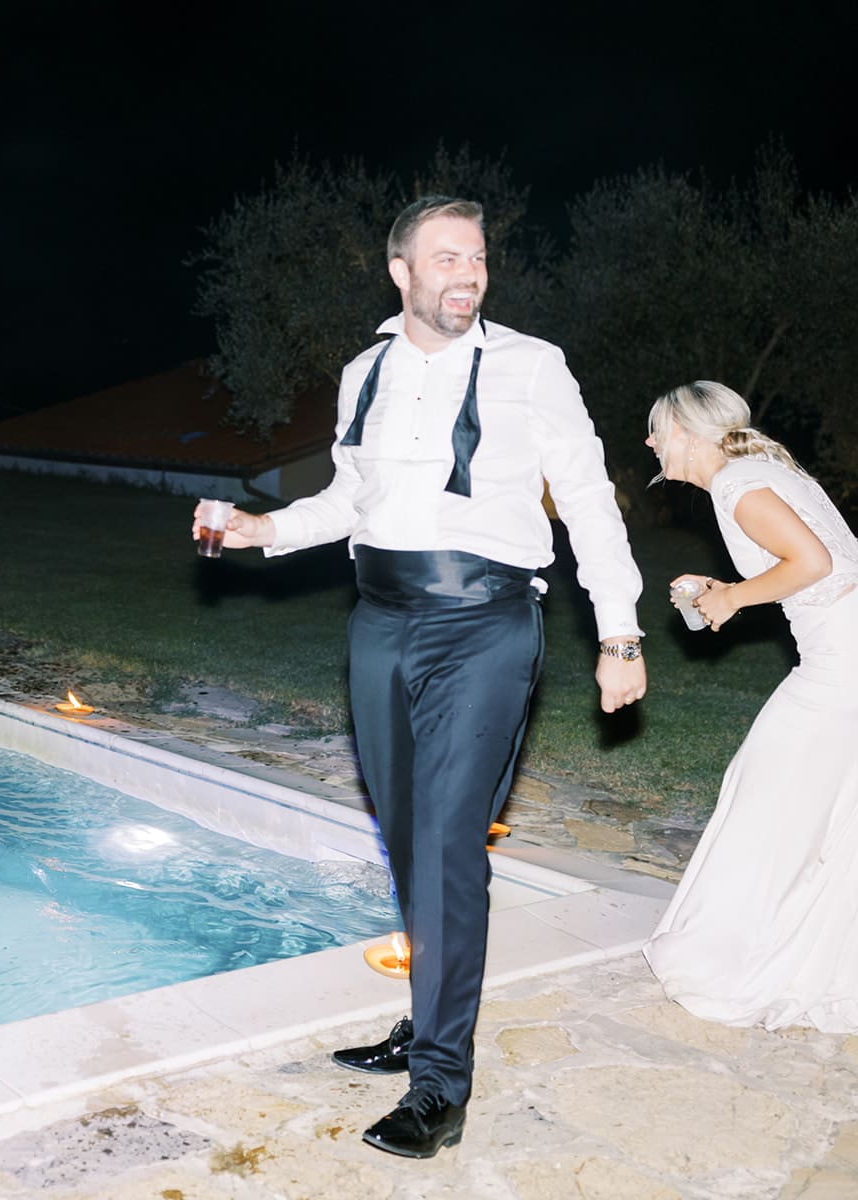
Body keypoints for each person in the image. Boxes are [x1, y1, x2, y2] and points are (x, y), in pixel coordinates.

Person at [193, 195, 646, 1159]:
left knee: (445, 842)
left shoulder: (532, 366)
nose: (467, 273)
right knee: (406, 837)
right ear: (401, 272)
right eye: (446, 257)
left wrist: (620, 631)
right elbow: (349, 498)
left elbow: (589, 500)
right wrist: (263, 528)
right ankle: (427, 1016)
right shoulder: (366, 371)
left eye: (476, 257)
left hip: (484, 624)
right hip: (380, 622)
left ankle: (440, 1085)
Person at [641, 382, 858, 1033]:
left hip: (840, 663)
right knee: (816, 803)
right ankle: (801, 952)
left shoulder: (737, 483)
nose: (649, 442)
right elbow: (814, 568)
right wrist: (725, 589)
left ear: (687, 434)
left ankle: (733, 959)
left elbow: (815, 562)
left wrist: (733, 599)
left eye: (657, 431)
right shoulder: (756, 472)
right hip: (841, 650)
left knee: (763, 789)